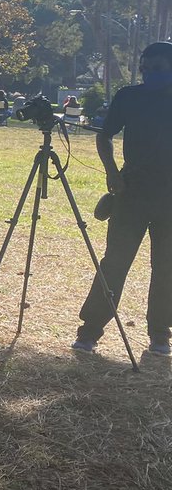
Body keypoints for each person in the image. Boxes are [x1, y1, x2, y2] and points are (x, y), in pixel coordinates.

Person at [74, 42, 172, 357]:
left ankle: (160, 336)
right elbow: (104, 135)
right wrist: (112, 173)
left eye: (159, 66)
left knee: (167, 268)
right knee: (114, 263)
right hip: (131, 193)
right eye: (147, 66)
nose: (152, 72)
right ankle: (89, 332)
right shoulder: (128, 96)